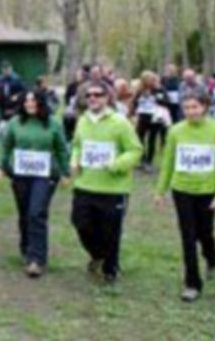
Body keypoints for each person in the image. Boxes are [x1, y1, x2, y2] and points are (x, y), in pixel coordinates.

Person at [155, 92, 215, 302]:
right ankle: (192, 283)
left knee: (204, 233)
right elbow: (167, 162)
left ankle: (212, 256)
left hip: (207, 191)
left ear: (204, 106)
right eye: (186, 107)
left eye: (195, 107)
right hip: (182, 190)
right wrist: (160, 191)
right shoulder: (175, 131)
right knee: (188, 236)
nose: (190, 111)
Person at [70, 81, 143, 283]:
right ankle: (98, 255)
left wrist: (116, 164)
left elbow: (135, 150)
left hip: (113, 187)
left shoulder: (120, 122)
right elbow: (76, 145)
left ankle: (110, 269)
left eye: (98, 94)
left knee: (111, 229)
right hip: (85, 184)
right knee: (80, 224)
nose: (93, 98)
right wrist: (74, 160)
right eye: (89, 95)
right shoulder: (83, 121)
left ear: (107, 97)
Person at [0, 89, 70, 278]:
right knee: (24, 213)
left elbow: (62, 148)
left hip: (44, 176)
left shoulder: (53, 123)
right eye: (26, 101)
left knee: (36, 212)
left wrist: (65, 171)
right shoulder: (15, 123)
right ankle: (26, 248)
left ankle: (37, 259)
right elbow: (4, 146)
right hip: (20, 175)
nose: (30, 104)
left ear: (41, 102)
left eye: (33, 100)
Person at [131, 71, 171, 171]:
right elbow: (135, 102)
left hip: (155, 117)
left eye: (151, 79)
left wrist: (155, 95)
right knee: (138, 138)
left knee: (152, 139)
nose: (150, 81)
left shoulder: (159, 89)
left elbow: (166, 101)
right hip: (143, 116)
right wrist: (133, 111)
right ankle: (142, 159)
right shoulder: (140, 90)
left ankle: (149, 161)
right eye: (147, 79)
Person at [0, 60, 25, 128]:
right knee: (3, 124)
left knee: (13, 123)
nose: (5, 71)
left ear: (11, 69)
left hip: (14, 105)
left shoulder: (16, 79)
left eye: (7, 69)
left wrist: (17, 95)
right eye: (4, 69)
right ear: (1, 69)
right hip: (2, 105)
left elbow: (24, 91)